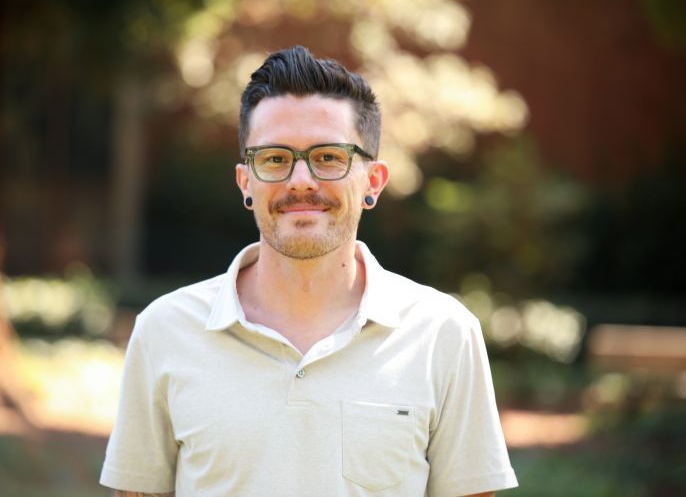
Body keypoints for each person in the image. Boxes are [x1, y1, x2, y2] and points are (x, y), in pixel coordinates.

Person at [100, 45, 518, 497]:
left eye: (328, 157)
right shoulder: (164, 330)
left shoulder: (445, 333)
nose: (301, 180)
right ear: (246, 182)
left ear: (372, 182)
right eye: (275, 158)